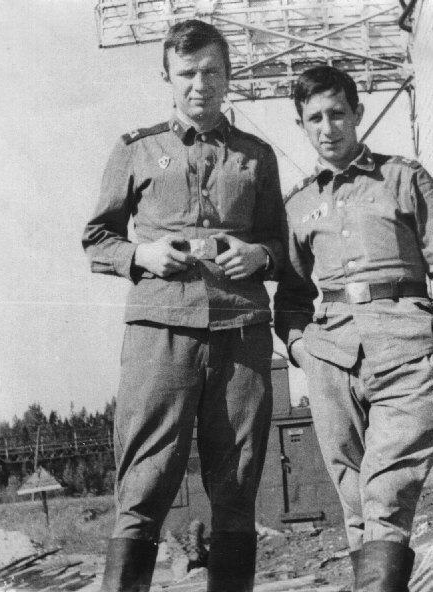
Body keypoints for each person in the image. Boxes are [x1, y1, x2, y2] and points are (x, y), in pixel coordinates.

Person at [82, 19, 283, 592]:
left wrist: (260, 255)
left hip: (240, 332)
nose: (200, 85)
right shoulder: (137, 149)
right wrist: (141, 253)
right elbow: (97, 239)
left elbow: (280, 243)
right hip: (160, 332)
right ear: (167, 78)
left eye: (212, 72)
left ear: (229, 76)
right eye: (188, 73)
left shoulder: (257, 156)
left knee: (237, 484)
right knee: (145, 481)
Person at [274, 66, 433, 592]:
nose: (327, 128)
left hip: (405, 351)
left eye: (337, 113)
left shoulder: (403, 178)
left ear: (357, 114)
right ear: (301, 125)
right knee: (354, 500)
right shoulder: (298, 205)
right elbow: (292, 298)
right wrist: (303, 351)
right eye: (314, 118)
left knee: (386, 493)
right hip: (332, 361)